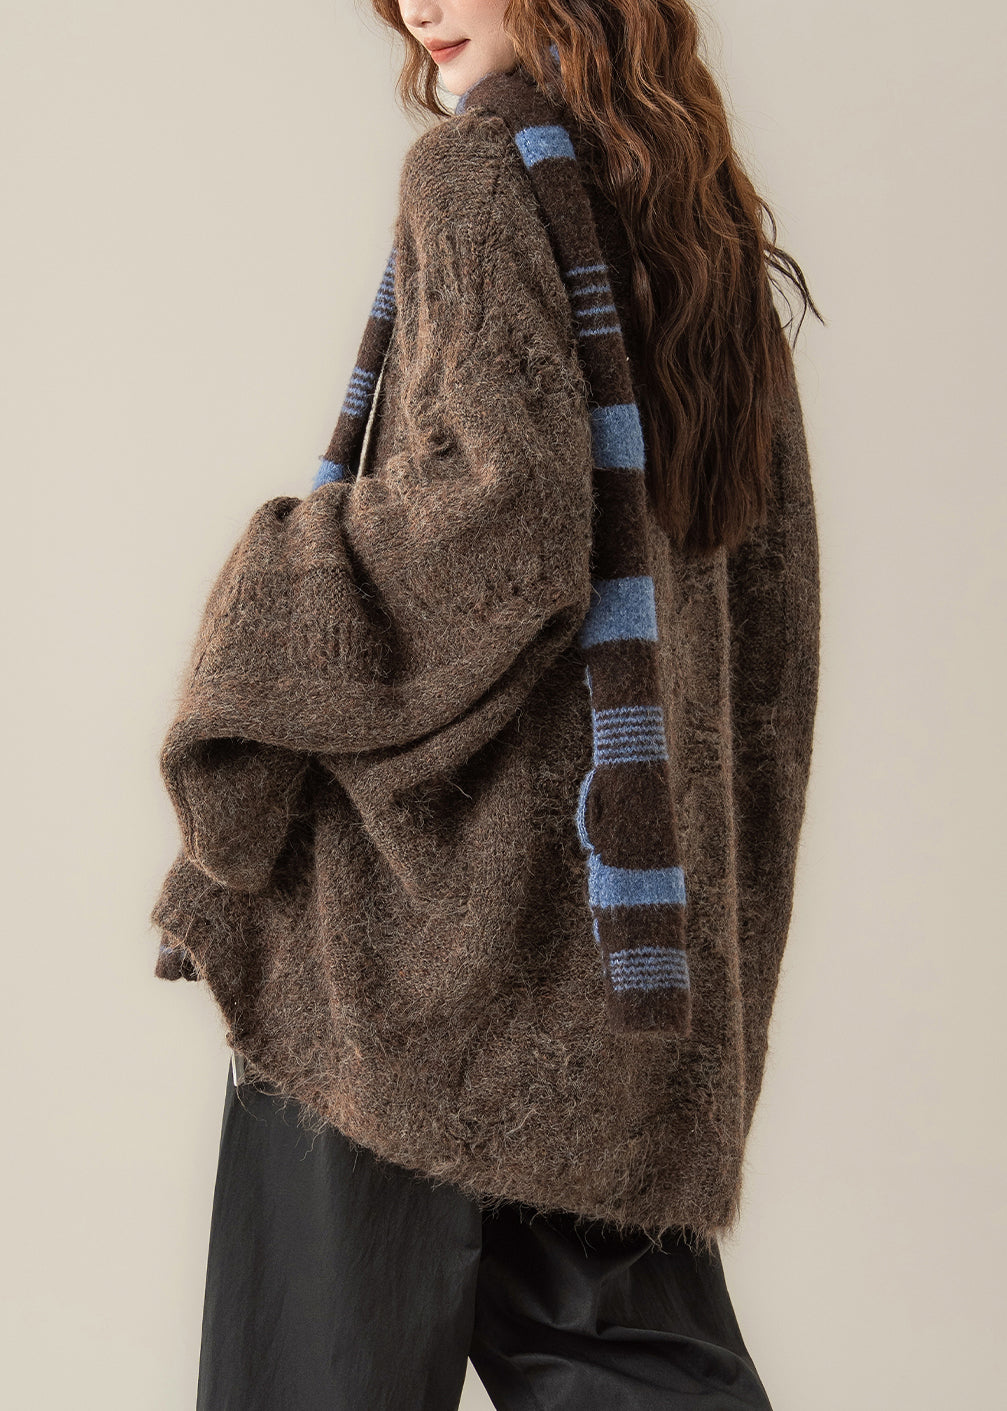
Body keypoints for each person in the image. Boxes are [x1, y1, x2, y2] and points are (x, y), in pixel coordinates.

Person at [150, 3, 822, 1407]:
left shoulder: (476, 171)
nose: (418, 4)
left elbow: (501, 519)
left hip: (418, 942)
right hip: (619, 945)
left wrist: (272, 587)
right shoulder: (691, 211)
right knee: (636, 1369)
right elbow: (762, 610)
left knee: (313, 1374)